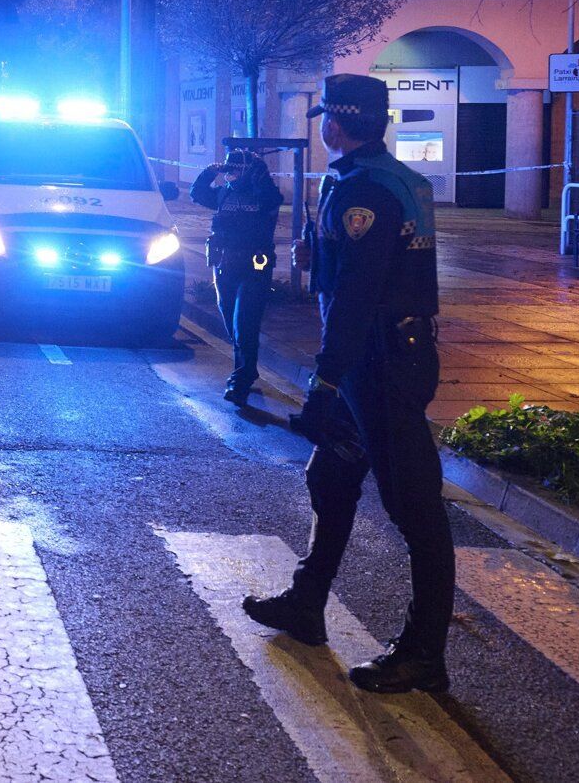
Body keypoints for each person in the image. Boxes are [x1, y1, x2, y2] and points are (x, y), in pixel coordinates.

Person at [242, 73, 453, 695]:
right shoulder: (371, 179)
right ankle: (307, 604)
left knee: (415, 509)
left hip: (381, 363)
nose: (324, 128)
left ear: (337, 123)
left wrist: (325, 381)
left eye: (326, 119)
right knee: (330, 476)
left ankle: (423, 653)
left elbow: (360, 297)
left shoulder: (369, 191)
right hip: (377, 357)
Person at [191, 149, 283, 406]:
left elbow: (271, 198)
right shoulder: (224, 192)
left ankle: (240, 380)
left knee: (245, 323)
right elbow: (197, 193)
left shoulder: (264, 194)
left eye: (235, 169)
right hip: (223, 265)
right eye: (228, 169)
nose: (230, 173)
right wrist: (211, 171)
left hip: (253, 268)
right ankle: (247, 367)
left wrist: (258, 175)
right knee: (230, 319)